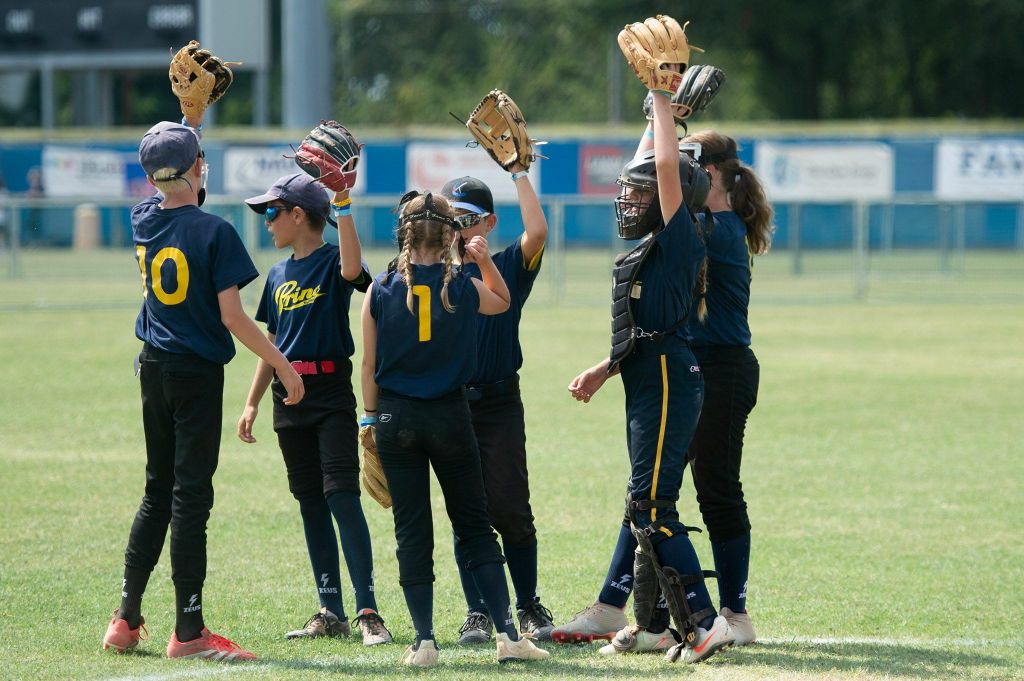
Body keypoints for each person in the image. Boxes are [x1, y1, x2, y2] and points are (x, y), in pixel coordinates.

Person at [102, 109, 305, 661]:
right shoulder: (215, 230)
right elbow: (234, 319)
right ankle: (188, 633)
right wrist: (283, 366)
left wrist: (187, 121)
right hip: (194, 374)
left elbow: (168, 177)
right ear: (197, 167)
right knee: (191, 498)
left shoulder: (144, 217)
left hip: (153, 368)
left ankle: (125, 619)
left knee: (156, 491)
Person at [561, 83, 734, 664]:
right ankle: (663, 625)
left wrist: (661, 97)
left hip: (666, 380)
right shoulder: (661, 240)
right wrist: (604, 369)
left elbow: (663, 167)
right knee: (644, 505)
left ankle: (704, 625)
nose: (629, 200)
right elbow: (645, 326)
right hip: (649, 375)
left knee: (653, 507)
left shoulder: (682, 231)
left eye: (640, 195)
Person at [359, 191, 548, 667]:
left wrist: (369, 420)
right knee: (475, 527)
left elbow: (368, 365)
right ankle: (508, 634)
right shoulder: (462, 285)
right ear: (450, 236)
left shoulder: (380, 288)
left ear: (403, 234)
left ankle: (424, 642)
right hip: (449, 415)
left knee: (412, 531)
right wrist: (484, 262)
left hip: (395, 418)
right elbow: (503, 301)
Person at [236, 172, 392, 646]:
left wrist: (342, 201)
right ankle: (330, 608)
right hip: (288, 399)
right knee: (309, 503)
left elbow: (353, 269)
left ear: (298, 215)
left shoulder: (329, 262)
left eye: (271, 213)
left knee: (342, 497)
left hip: (328, 394)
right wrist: (251, 402)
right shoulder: (278, 275)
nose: (266, 223)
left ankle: (367, 610)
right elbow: (271, 345)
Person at [438, 169, 553, 644]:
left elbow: (539, 232)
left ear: (487, 222)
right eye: (450, 219)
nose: (459, 228)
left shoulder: (505, 264)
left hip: (500, 402)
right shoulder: (434, 274)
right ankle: (478, 611)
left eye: (468, 219)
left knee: (510, 508)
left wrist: (520, 172)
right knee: (467, 512)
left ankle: (527, 605)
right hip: (452, 405)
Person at [677, 129, 774, 646]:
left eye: (688, 165)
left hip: (724, 369)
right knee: (654, 490)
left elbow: (666, 207)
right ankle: (642, 616)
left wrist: (663, 113)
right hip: (696, 365)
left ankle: (736, 614)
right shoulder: (709, 223)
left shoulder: (720, 228)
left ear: (708, 172)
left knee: (716, 489)